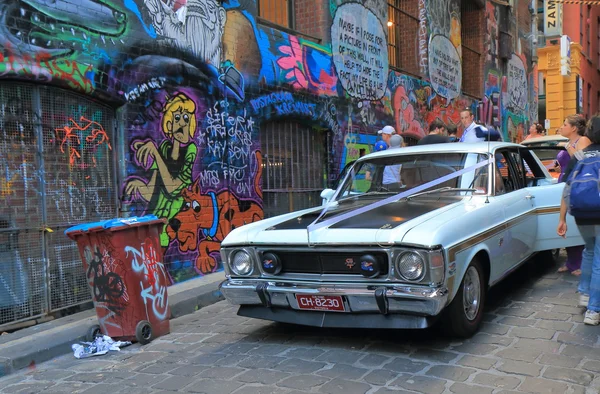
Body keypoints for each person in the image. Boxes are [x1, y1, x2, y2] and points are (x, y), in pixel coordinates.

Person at [557, 115, 600, 325]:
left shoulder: (580, 155)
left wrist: (561, 218)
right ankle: (594, 309)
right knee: (599, 258)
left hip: (582, 212)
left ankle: (584, 294)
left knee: (590, 251)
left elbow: (567, 188)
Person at [556, 114, 590, 276]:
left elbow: (582, 161)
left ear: (574, 128)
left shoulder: (582, 140)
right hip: (563, 181)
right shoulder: (568, 142)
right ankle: (571, 262)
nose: (561, 127)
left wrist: (568, 148)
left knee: (576, 223)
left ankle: (581, 262)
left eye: (564, 124)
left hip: (577, 184)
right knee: (564, 222)